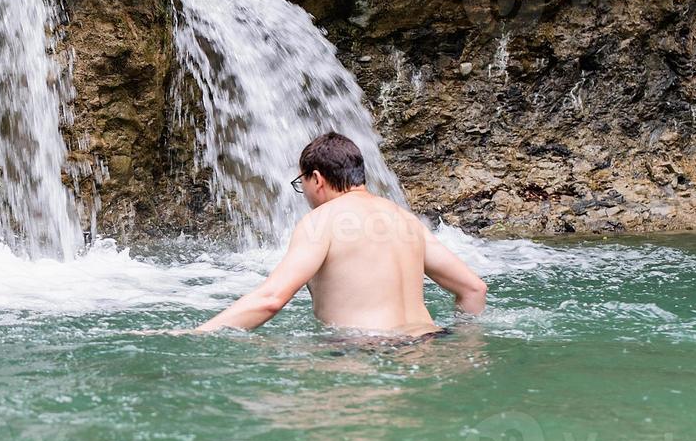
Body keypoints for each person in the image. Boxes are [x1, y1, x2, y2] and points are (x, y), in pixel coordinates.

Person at [197, 131, 487, 336]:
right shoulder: (406, 220)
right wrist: (465, 342)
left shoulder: (322, 221)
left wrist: (195, 334)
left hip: (365, 350)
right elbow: (474, 289)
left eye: (302, 183)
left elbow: (271, 298)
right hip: (431, 344)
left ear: (317, 179)